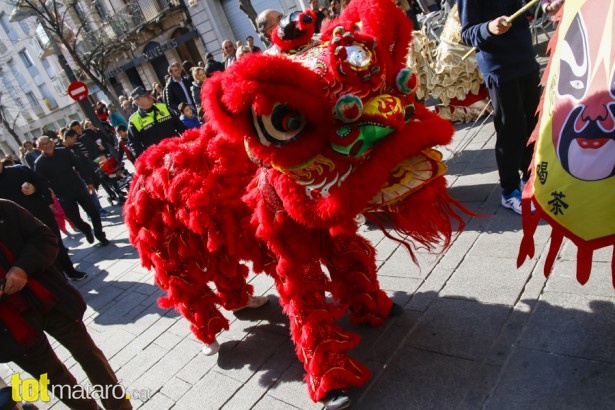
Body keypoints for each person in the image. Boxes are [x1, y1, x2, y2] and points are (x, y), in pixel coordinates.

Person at [0, 199, 131, 410]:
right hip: (11, 328)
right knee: (52, 377)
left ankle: (120, 407)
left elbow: (45, 238)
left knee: (88, 354)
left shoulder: (4, 209)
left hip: (48, 301)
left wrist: (22, 269)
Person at [458, 0, 542, 215]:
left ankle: (529, 178)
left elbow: (527, 11)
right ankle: (509, 191)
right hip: (499, 67)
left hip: (526, 59)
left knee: (533, 123)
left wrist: (548, 7)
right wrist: (488, 27)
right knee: (511, 128)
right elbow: (467, 33)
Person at [0, 161, 87, 280]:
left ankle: (70, 270)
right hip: (17, 226)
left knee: (56, 243)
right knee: (39, 252)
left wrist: (34, 188)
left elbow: (43, 182)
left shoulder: (20, 170)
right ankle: (60, 279)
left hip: (41, 216)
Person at [33, 136, 110, 246]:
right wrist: (49, 202)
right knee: (75, 219)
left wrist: (88, 182)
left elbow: (79, 166)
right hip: (63, 195)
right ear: (39, 148)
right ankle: (86, 229)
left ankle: (100, 235)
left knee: (93, 212)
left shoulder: (64, 152)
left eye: (48, 143)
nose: (47, 146)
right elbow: (42, 184)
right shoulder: (39, 163)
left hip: (78, 187)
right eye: (43, 145)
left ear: (52, 143)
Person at [127, 86, 186, 158]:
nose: (150, 96)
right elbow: (136, 148)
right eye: (145, 95)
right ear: (137, 101)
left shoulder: (164, 107)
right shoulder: (133, 121)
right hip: (158, 161)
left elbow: (181, 127)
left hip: (178, 152)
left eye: (149, 93)